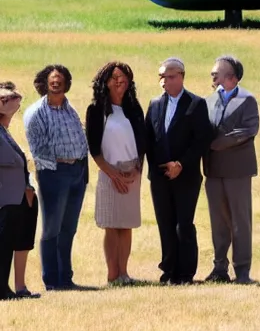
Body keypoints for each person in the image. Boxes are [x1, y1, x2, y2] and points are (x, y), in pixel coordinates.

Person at [145, 57, 212, 285]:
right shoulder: (154, 104)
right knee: (165, 223)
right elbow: (148, 138)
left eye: (170, 76)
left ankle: (185, 273)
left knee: (183, 223)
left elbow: (202, 140)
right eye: (162, 77)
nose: (165, 82)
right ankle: (168, 270)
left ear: (182, 76)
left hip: (186, 175)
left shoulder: (196, 104)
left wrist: (181, 164)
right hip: (159, 176)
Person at [24, 65, 89, 291]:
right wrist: (56, 171)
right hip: (54, 173)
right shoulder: (36, 113)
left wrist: (81, 170)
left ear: (66, 84)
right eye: (52, 80)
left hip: (77, 174)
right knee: (52, 229)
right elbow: (38, 149)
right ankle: (52, 281)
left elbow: (82, 139)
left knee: (69, 228)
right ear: (44, 83)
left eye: (60, 80)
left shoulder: (70, 109)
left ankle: (66, 278)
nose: (56, 83)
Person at [85, 62, 146, 286]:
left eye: (123, 77)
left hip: (133, 173)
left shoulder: (134, 108)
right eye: (114, 77)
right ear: (105, 81)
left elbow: (143, 142)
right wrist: (114, 174)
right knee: (112, 224)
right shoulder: (96, 110)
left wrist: (136, 169)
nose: (119, 80)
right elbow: (94, 149)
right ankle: (113, 274)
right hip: (109, 172)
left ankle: (124, 273)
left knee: (126, 224)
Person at [203, 56, 259, 284]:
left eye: (217, 72)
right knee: (218, 221)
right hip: (214, 170)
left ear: (232, 77)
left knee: (240, 221)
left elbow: (248, 129)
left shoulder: (247, 100)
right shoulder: (208, 101)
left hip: (238, 170)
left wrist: (219, 143)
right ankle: (219, 268)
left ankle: (242, 270)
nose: (213, 75)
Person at [0, 82, 40, 300]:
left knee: (10, 243)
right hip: (5, 199)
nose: (11, 104)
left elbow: (16, 98)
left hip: (17, 198)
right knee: (3, 246)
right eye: (3, 101)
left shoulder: (4, 132)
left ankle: (9, 288)